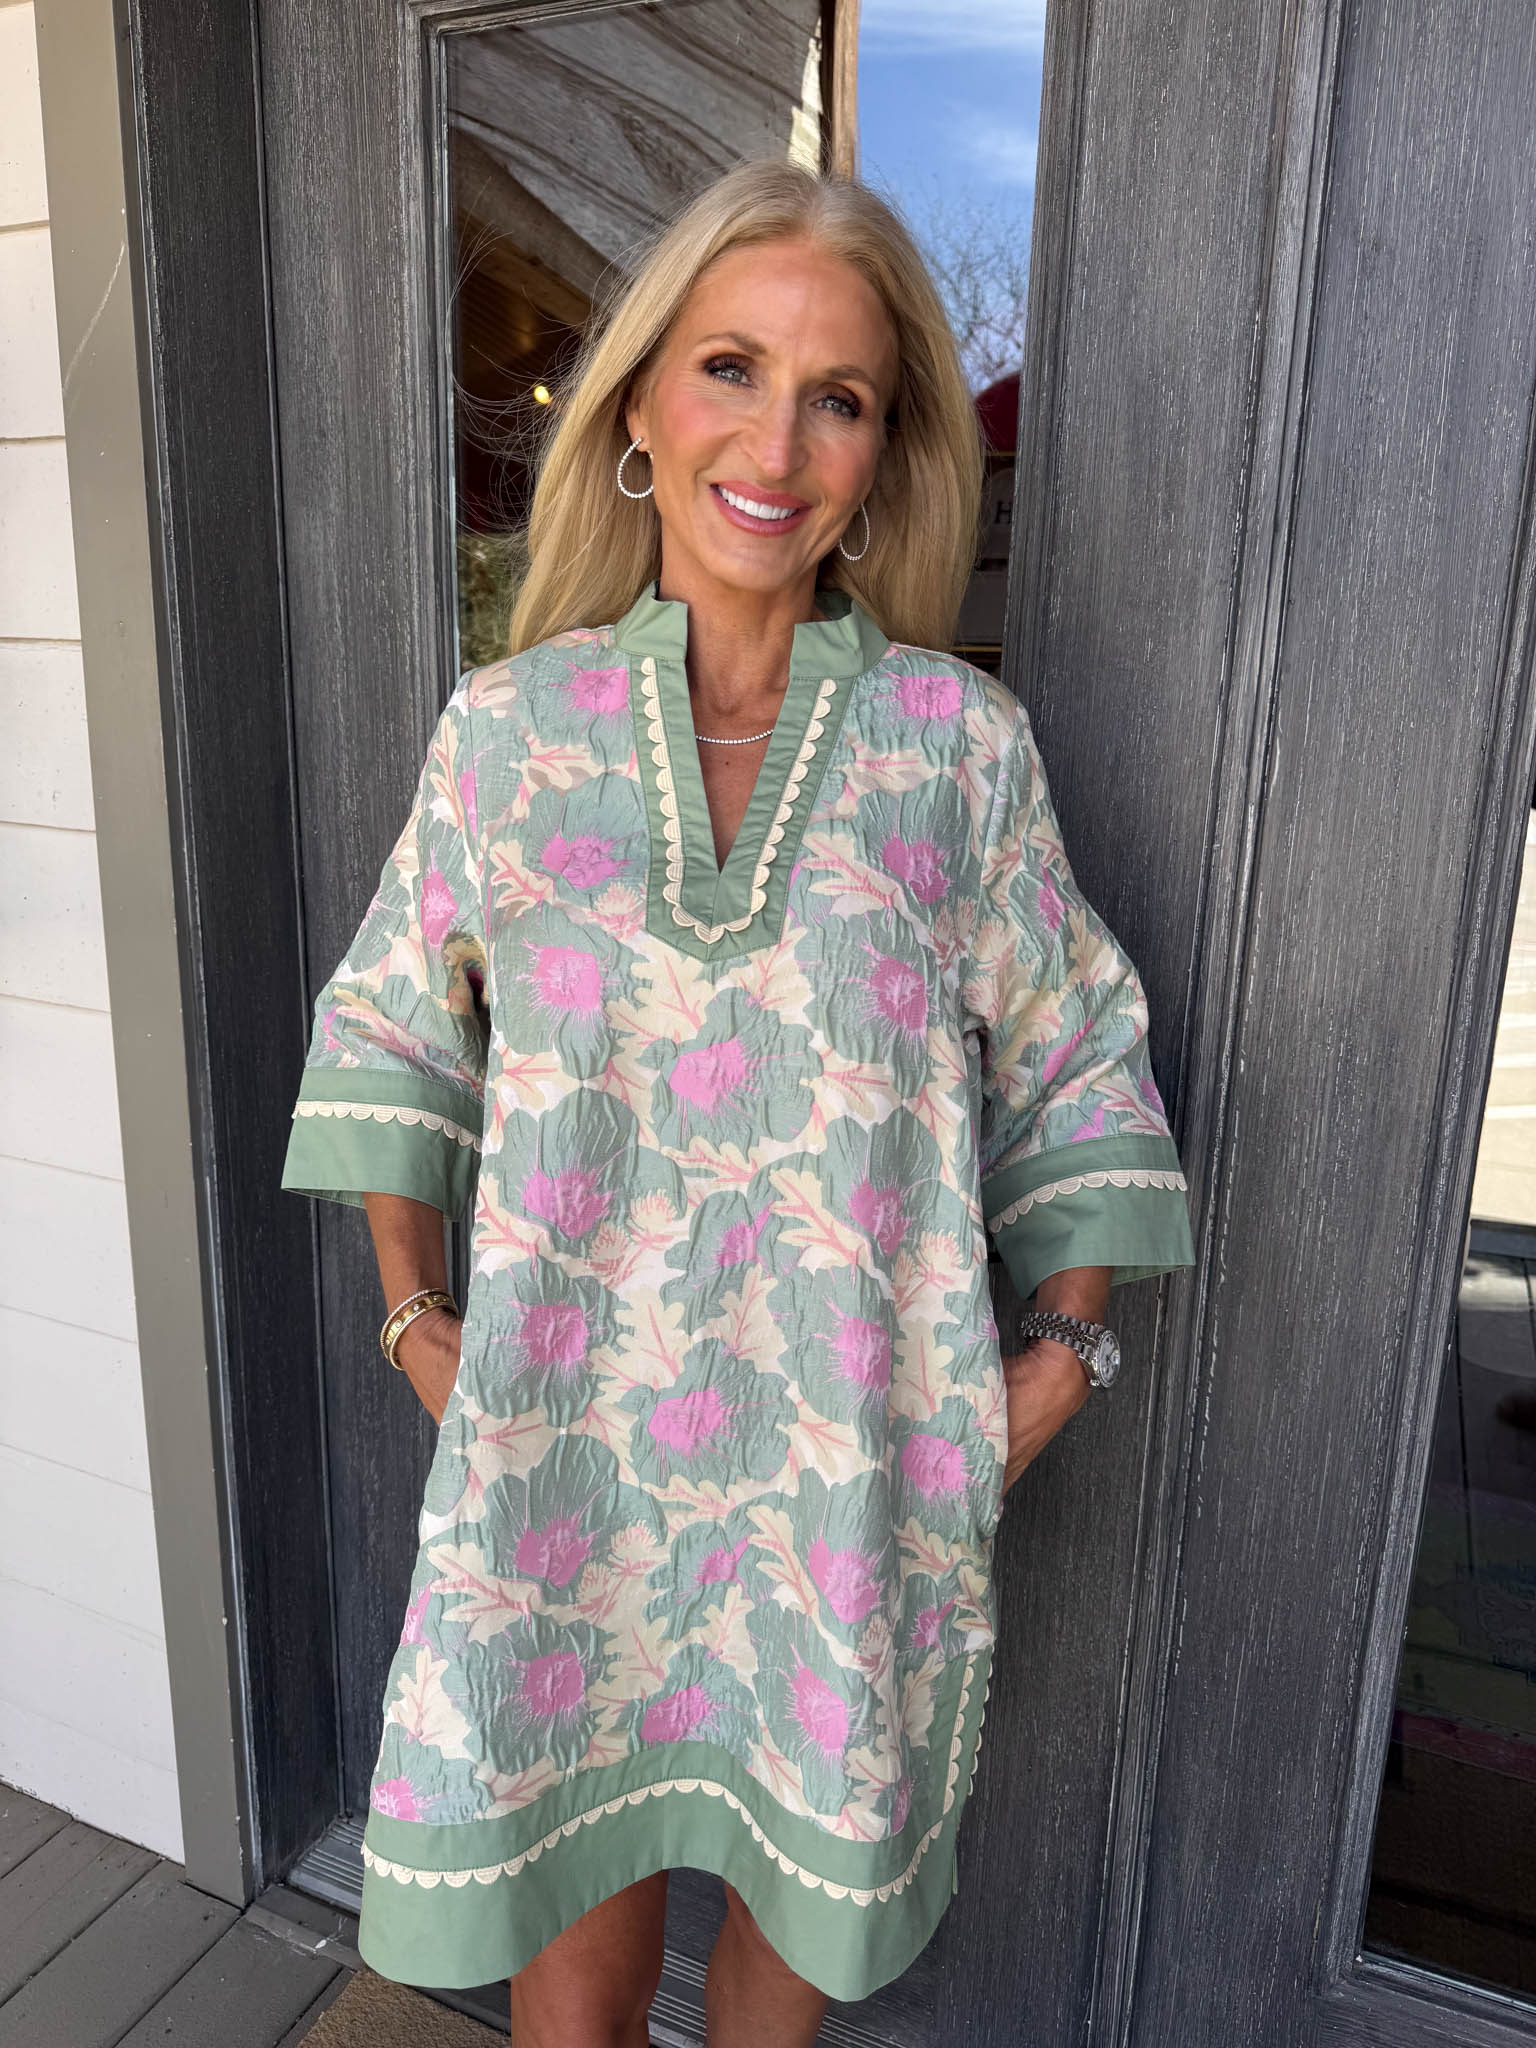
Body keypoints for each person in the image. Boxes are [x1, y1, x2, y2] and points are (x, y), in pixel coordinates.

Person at [280, 157, 1195, 2045]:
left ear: (881, 454)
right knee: (577, 1998)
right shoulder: (508, 738)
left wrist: (1058, 1359)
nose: (776, 444)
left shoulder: (956, 754)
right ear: (637, 405)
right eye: (730, 368)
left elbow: (1081, 1042)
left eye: (837, 397)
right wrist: (415, 1317)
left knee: (786, 1964)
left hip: (847, 1490)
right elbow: (389, 1022)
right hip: (566, 1487)